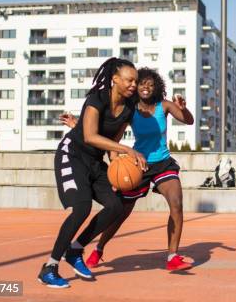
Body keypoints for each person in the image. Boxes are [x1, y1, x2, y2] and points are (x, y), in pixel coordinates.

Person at [61, 67, 195, 271]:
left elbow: (188, 120)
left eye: (150, 84)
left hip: (163, 163)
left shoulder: (164, 106)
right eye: (142, 84)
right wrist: (79, 127)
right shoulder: (130, 110)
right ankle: (99, 248)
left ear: (156, 87)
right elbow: (111, 136)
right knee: (120, 212)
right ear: (136, 86)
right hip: (138, 164)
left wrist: (183, 109)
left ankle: (172, 256)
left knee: (176, 204)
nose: (146, 87)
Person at [38, 58, 147, 288]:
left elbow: (112, 143)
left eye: (135, 81)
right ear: (115, 79)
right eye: (129, 80)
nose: (133, 85)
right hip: (72, 156)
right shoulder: (97, 99)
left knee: (116, 205)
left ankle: (75, 250)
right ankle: (49, 267)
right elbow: (90, 136)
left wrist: (118, 171)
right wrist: (128, 149)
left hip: (95, 161)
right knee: (81, 207)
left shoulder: (127, 108)